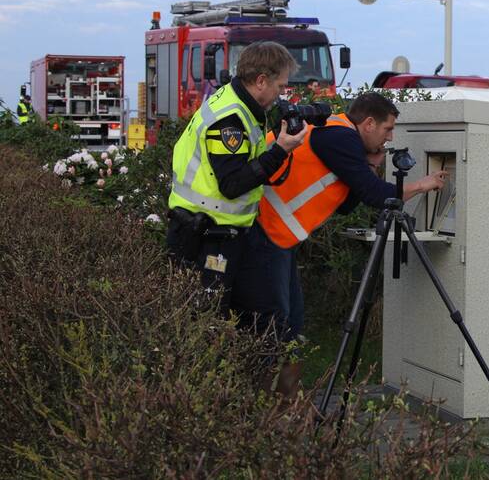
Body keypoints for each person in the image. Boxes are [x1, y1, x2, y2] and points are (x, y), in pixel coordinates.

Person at [233, 91, 447, 399]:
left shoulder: (339, 138)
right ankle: (257, 409)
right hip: (263, 234)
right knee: (272, 324)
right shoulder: (340, 136)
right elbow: (376, 195)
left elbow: (347, 203)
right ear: (369, 123)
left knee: (291, 323)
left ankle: (286, 405)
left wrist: (370, 165)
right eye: (387, 130)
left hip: (277, 237)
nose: (389, 139)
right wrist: (420, 185)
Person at [166, 41, 310, 309]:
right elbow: (232, 184)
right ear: (261, 81)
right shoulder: (229, 120)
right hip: (204, 236)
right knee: (205, 321)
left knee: (241, 317)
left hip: (220, 232)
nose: (281, 95)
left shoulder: (238, 104)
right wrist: (279, 150)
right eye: (280, 87)